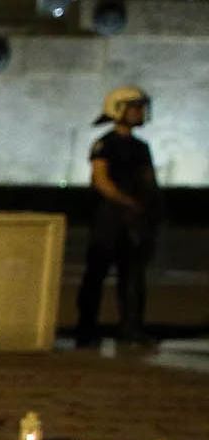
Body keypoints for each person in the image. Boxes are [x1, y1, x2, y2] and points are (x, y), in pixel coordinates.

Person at [75, 86, 159, 348]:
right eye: (135, 107)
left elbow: (148, 180)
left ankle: (131, 327)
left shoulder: (141, 147)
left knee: (133, 274)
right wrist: (126, 201)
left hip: (133, 216)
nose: (140, 112)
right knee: (97, 272)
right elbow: (101, 180)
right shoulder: (106, 144)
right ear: (118, 109)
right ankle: (86, 328)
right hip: (109, 216)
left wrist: (149, 207)